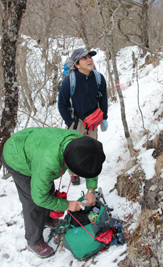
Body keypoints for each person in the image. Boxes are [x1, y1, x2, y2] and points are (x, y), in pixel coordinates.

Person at [2, 127, 106, 259]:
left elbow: (91, 164)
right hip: (16, 155)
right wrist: (67, 205)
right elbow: (39, 197)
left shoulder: (80, 143)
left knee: (46, 187)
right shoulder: (48, 164)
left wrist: (91, 190)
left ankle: (47, 219)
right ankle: (33, 241)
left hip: (37, 148)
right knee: (32, 201)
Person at [58, 48, 108, 185]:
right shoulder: (70, 81)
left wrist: (104, 117)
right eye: (84, 58)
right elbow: (61, 104)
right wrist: (69, 121)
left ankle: (89, 171)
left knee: (91, 148)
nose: (89, 60)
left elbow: (103, 99)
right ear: (77, 64)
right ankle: (73, 173)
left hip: (93, 121)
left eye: (90, 57)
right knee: (73, 150)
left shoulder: (98, 78)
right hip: (76, 121)